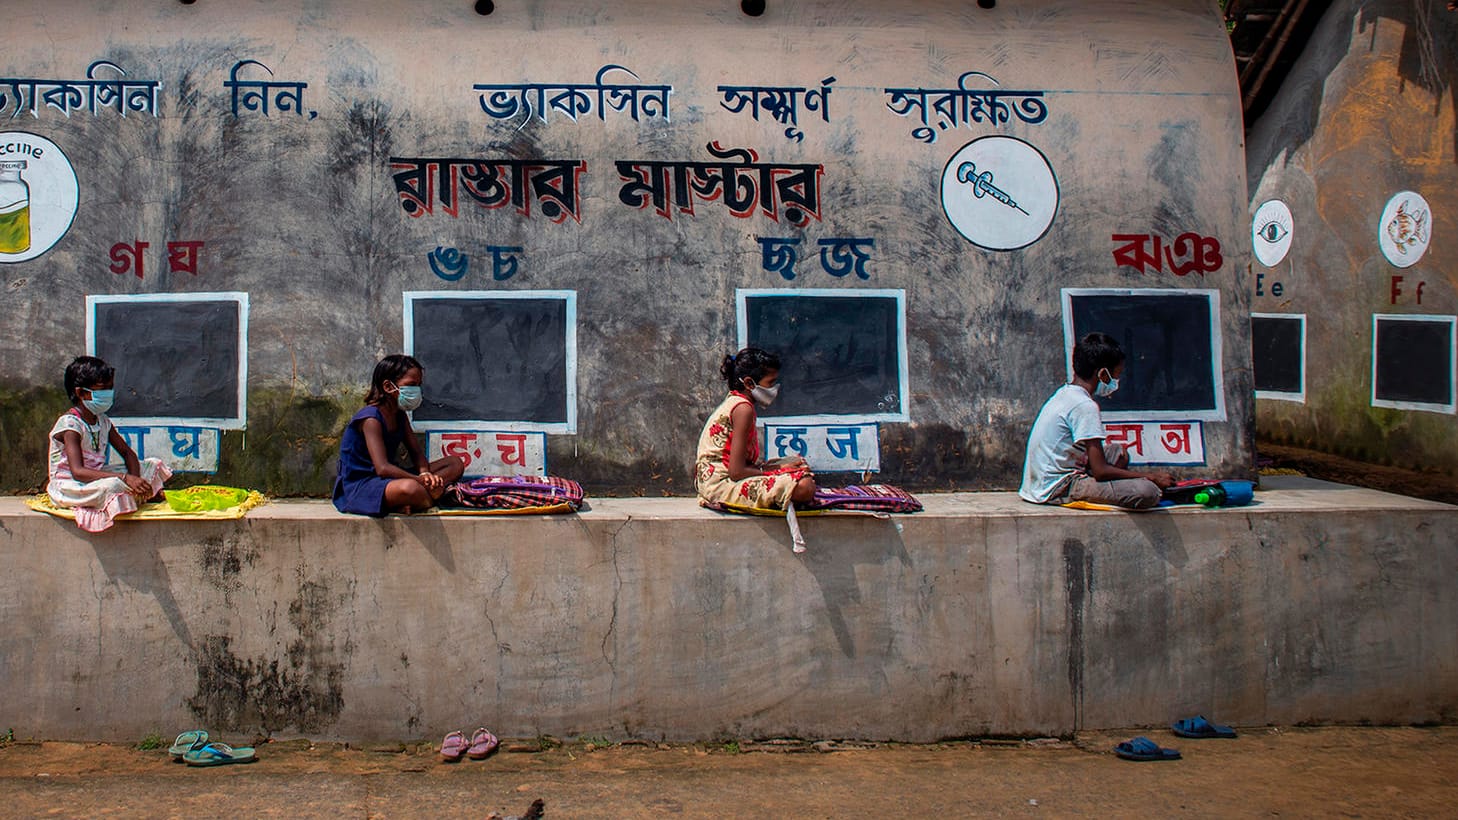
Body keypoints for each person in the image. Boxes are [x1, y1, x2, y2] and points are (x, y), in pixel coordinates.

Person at [1019, 332, 1174, 509]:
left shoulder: (1065, 393)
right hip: (1059, 486)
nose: (1116, 381)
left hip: (1039, 483)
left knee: (1119, 452)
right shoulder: (1085, 406)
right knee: (1148, 491)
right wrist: (1149, 477)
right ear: (1102, 374)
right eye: (1116, 375)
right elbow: (1100, 471)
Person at [46, 356, 173, 532]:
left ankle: (134, 495)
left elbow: (128, 453)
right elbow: (78, 472)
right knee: (113, 485)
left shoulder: (103, 421)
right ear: (81, 393)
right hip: (71, 486)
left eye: (110, 388)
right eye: (102, 389)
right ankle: (131, 497)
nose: (108, 393)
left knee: (152, 465)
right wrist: (125, 479)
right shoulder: (70, 425)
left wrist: (134, 478)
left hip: (97, 478)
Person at [333, 354, 464, 516]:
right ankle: (431, 497)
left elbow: (416, 452)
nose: (416, 390)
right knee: (410, 488)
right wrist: (420, 481)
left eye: (418, 385)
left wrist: (425, 474)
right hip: (363, 484)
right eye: (411, 385)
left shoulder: (399, 415)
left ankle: (419, 500)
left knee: (454, 463)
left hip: (389, 480)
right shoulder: (370, 419)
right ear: (388, 387)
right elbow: (382, 468)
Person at [694, 347, 816, 509]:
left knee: (796, 463)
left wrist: (779, 468)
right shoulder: (744, 409)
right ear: (749, 383)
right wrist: (776, 471)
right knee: (804, 487)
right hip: (721, 485)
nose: (774, 388)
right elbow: (736, 472)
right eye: (770, 382)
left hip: (714, 480)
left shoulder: (736, 402)